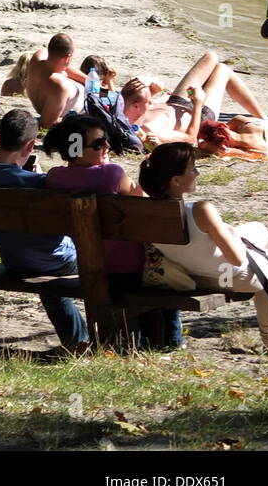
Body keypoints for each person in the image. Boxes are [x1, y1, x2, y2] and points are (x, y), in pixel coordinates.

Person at [42, 112, 183, 349]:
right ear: (75, 148)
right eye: (98, 143)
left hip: (90, 266)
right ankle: (171, 341)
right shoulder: (111, 173)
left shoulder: (54, 178)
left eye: (106, 139)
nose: (107, 145)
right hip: (133, 266)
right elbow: (142, 203)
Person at [0, 109, 89, 350]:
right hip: (59, 261)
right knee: (72, 264)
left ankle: (79, 342)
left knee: (46, 270)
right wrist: (36, 177)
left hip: (15, 262)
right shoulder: (39, 183)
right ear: (30, 146)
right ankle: (88, 340)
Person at [141, 143, 268, 352]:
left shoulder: (142, 212)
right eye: (192, 169)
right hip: (228, 277)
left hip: (191, 276)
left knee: (257, 229)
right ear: (176, 180)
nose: (197, 172)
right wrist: (230, 232)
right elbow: (238, 259)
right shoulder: (201, 210)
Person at [121, 50, 268, 146]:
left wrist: (146, 80)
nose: (152, 99)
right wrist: (198, 103)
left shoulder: (123, 106)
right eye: (148, 101)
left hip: (177, 102)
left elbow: (158, 87)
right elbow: (190, 138)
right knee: (223, 70)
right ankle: (265, 119)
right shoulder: (149, 129)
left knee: (211, 57)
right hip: (199, 117)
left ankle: (264, 118)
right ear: (136, 106)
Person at [24, 33, 88, 129]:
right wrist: (73, 118)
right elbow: (46, 124)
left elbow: (61, 65)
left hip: (44, 104)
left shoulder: (37, 57)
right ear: (68, 57)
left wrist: (89, 81)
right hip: (79, 112)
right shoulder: (59, 86)